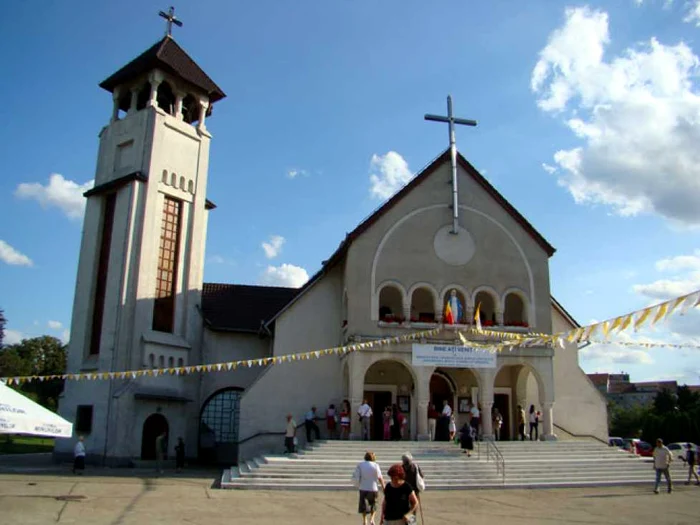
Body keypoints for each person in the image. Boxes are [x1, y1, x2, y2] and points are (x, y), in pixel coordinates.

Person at [352, 451, 384, 525]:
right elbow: (380, 477)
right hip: (373, 488)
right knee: (373, 504)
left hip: (363, 487)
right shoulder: (376, 465)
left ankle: (365, 520)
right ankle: (372, 519)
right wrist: (383, 486)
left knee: (364, 505)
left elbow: (357, 475)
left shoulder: (360, 465)